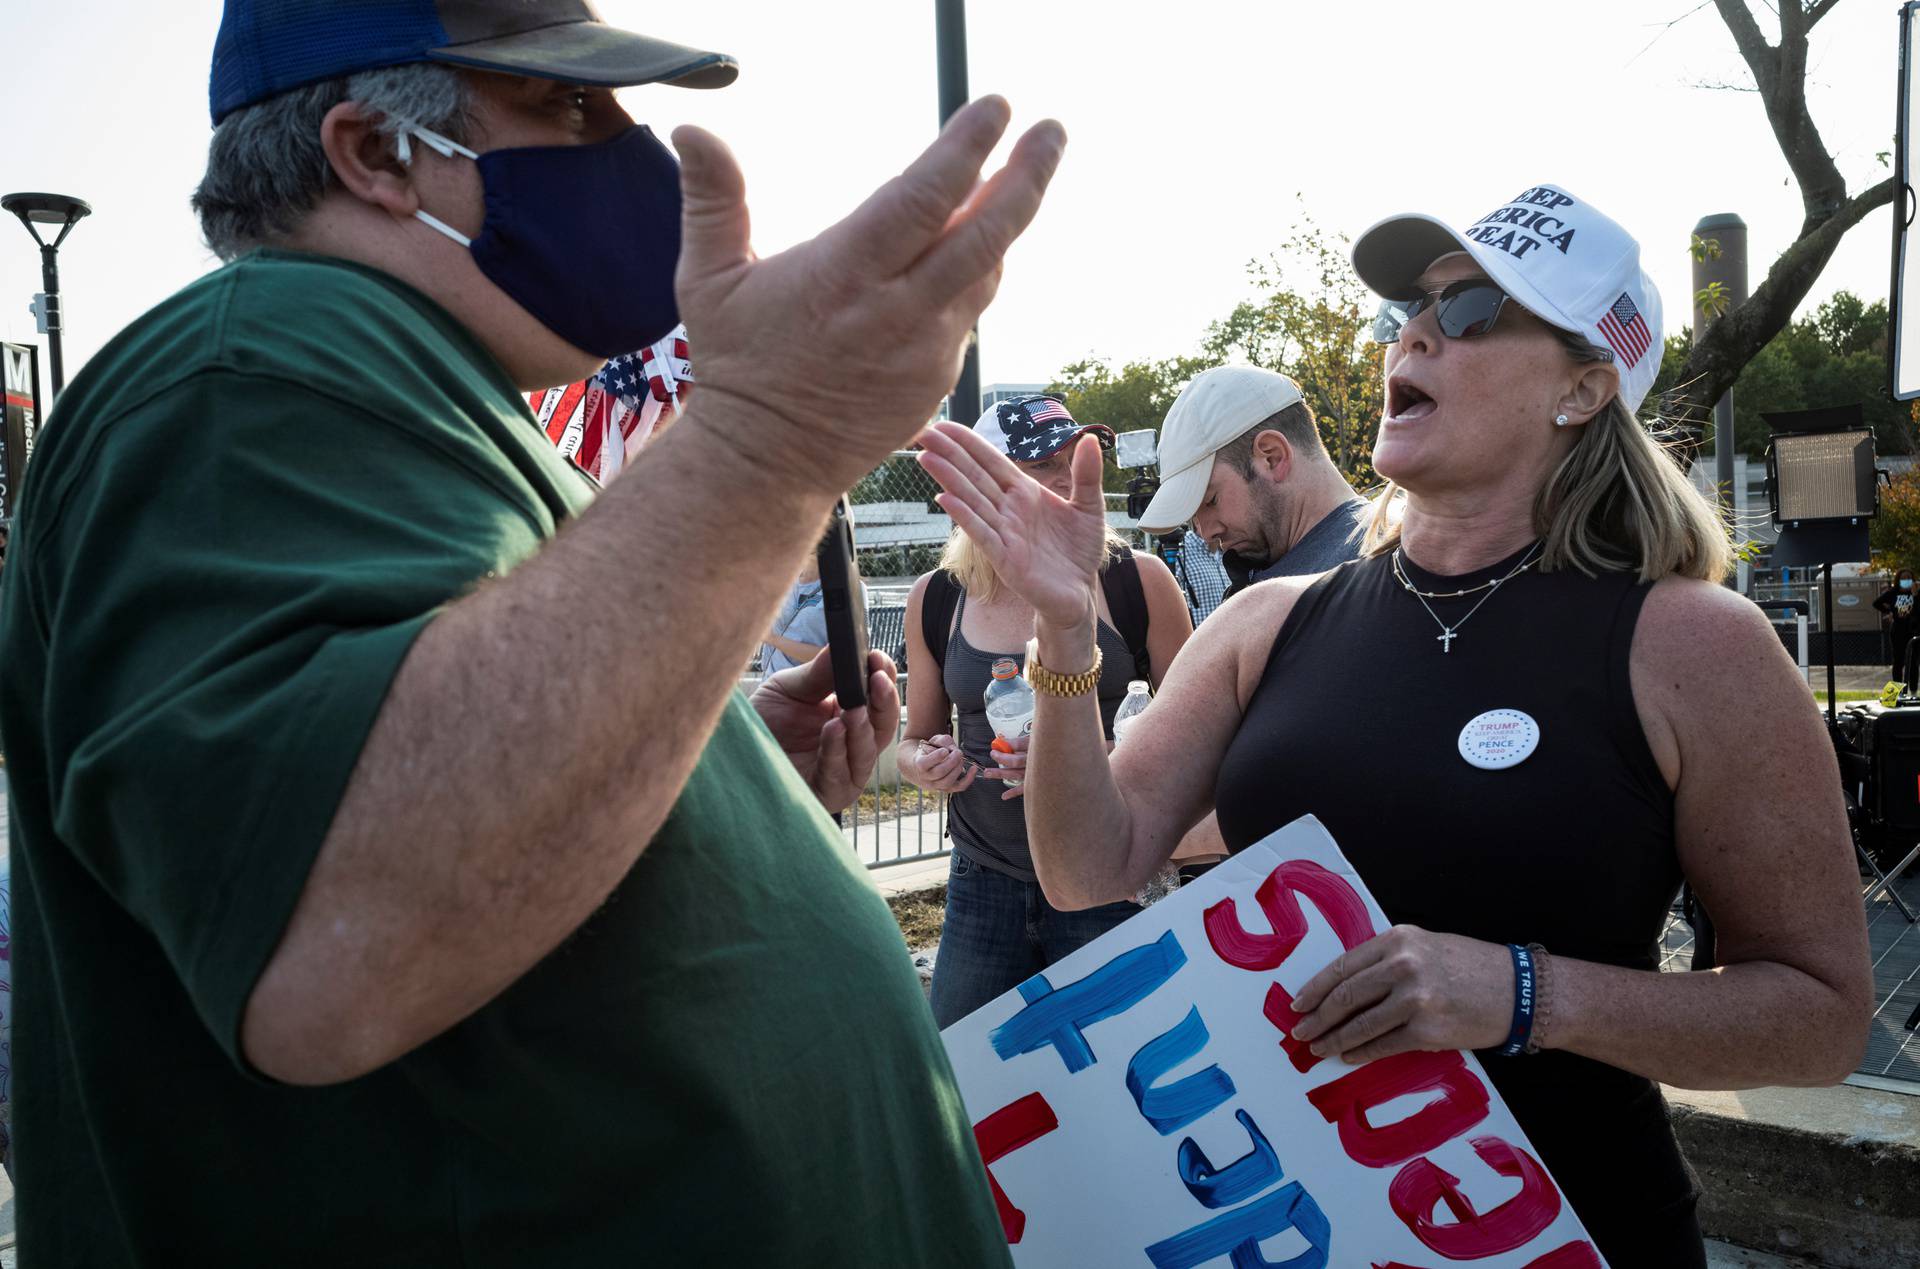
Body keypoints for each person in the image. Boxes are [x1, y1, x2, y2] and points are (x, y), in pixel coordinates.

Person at [0, 2, 1067, 1263]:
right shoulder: (254, 367)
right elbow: (341, 937)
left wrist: (715, 781)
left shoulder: (415, 389)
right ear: (374, 152)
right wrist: (772, 440)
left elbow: (465, 788)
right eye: (566, 106)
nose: (628, 150)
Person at [919, 182, 1873, 1266]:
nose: (1412, 332)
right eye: (1408, 312)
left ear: (1584, 387)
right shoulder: (1266, 623)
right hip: (1297, 1227)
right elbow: (1088, 868)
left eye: (1469, 312)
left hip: (1570, 1227)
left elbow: (1822, 1016)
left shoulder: (1694, 645)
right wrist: (1062, 635)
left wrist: (1522, 994)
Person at [899, 395, 1192, 1028]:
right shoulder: (937, 595)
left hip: (1110, 880)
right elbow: (914, 736)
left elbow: (1198, 736)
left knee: (1130, 1078)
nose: (1064, 479)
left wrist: (1086, 760)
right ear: (982, 487)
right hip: (984, 880)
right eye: (1039, 464)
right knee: (970, 1084)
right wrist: (926, 762)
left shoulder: (1134, 581)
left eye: (1072, 458)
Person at [1136, 365, 1369, 595]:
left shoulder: (1379, 570)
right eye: (1193, 517)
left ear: (1272, 457)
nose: (1206, 532)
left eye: (1211, 500)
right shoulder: (1277, 570)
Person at [1876, 567, 1918, 681]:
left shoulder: (1915, 592)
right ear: (1898, 580)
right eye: (1903, 578)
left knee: (1913, 661)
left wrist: (1915, 595)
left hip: (1913, 630)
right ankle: (1898, 691)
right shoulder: (1893, 592)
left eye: (1909, 578)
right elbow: (1877, 603)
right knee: (1898, 661)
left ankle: (1913, 691)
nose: (1906, 580)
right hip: (1897, 630)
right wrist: (1889, 611)